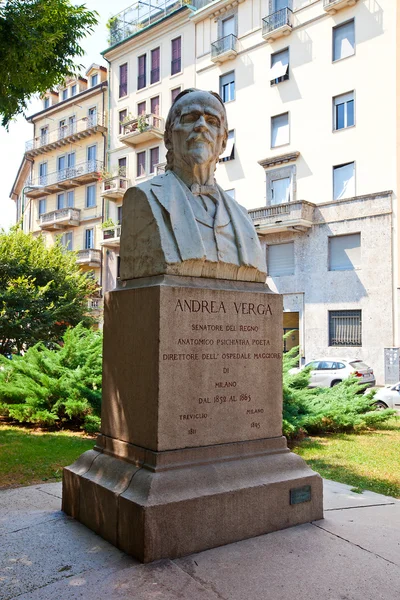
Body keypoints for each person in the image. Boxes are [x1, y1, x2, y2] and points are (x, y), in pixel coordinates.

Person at [120, 89, 267, 282]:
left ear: (223, 143)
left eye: (212, 122)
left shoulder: (242, 217)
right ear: (168, 138)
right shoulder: (142, 198)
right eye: (190, 118)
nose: (201, 126)